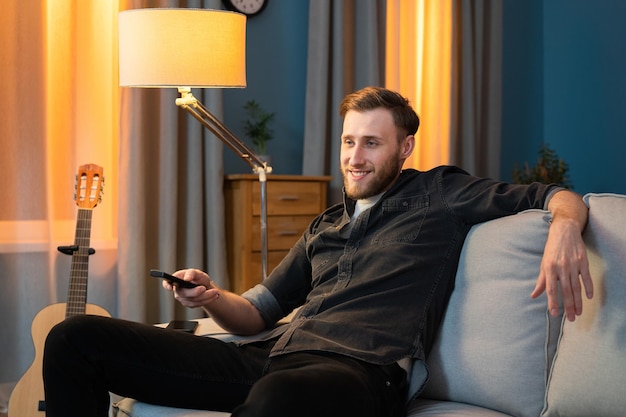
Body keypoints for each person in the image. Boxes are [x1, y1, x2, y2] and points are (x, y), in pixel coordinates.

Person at [43, 86, 593, 417]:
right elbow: (257, 311)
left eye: (371, 143)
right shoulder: (326, 223)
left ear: (404, 148)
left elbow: (556, 195)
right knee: (75, 338)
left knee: (281, 396)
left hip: (361, 374)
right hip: (273, 357)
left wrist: (565, 229)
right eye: (349, 141)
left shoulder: (439, 191)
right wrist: (210, 296)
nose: (355, 157)